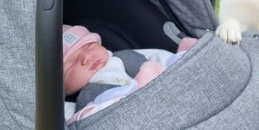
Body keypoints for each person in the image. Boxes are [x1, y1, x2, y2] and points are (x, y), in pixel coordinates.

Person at [62, 24, 196, 124]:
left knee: (156, 63)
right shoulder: (75, 105)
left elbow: (154, 57)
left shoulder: (122, 57)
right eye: (71, 64)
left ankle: (187, 59)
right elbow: (59, 121)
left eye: (88, 46)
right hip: (130, 118)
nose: (86, 58)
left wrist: (173, 60)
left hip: (164, 87)